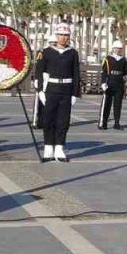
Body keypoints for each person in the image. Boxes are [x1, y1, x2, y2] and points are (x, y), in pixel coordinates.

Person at [36, 24, 81, 162]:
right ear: (56, 36)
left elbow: (76, 74)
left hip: (66, 90)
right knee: (48, 119)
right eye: (61, 35)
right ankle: (48, 147)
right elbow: (39, 72)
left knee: (63, 121)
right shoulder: (46, 52)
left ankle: (59, 148)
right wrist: (40, 91)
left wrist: (75, 93)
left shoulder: (73, 53)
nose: (64, 38)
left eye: (66, 35)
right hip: (51, 89)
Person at [99, 41, 127, 130]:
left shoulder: (123, 60)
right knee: (106, 104)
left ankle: (117, 122)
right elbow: (104, 72)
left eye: (120, 48)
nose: (118, 50)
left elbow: (124, 73)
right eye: (117, 48)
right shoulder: (107, 59)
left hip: (119, 85)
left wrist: (125, 84)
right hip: (109, 84)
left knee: (118, 105)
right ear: (113, 48)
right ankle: (103, 122)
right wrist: (103, 83)